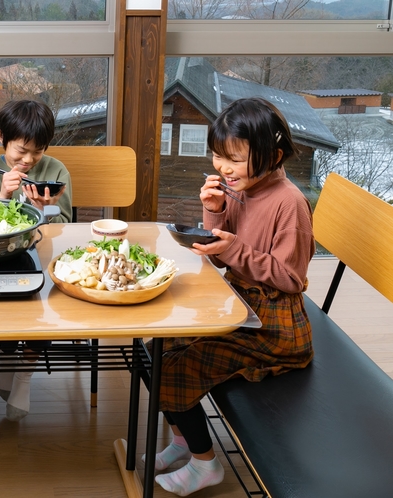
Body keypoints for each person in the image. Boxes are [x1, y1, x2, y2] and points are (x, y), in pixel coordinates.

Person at [147, 97, 314, 496]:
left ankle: (206, 464)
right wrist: (214, 210)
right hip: (239, 301)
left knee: (172, 370)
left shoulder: (289, 203)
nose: (223, 168)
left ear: (273, 155)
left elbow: (290, 277)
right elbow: (223, 256)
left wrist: (231, 247)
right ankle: (185, 441)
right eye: (218, 156)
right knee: (156, 349)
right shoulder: (242, 187)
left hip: (275, 326)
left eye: (235, 159)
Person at [0, 99, 72, 421]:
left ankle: (24, 373)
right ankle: (6, 357)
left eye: (37, 151)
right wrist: (4, 196)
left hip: (45, 252)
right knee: (3, 299)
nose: (28, 159)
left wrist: (43, 209)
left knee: (47, 304)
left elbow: (66, 223)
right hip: (3, 255)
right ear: (1, 137)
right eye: (20, 151)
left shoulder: (55, 170)